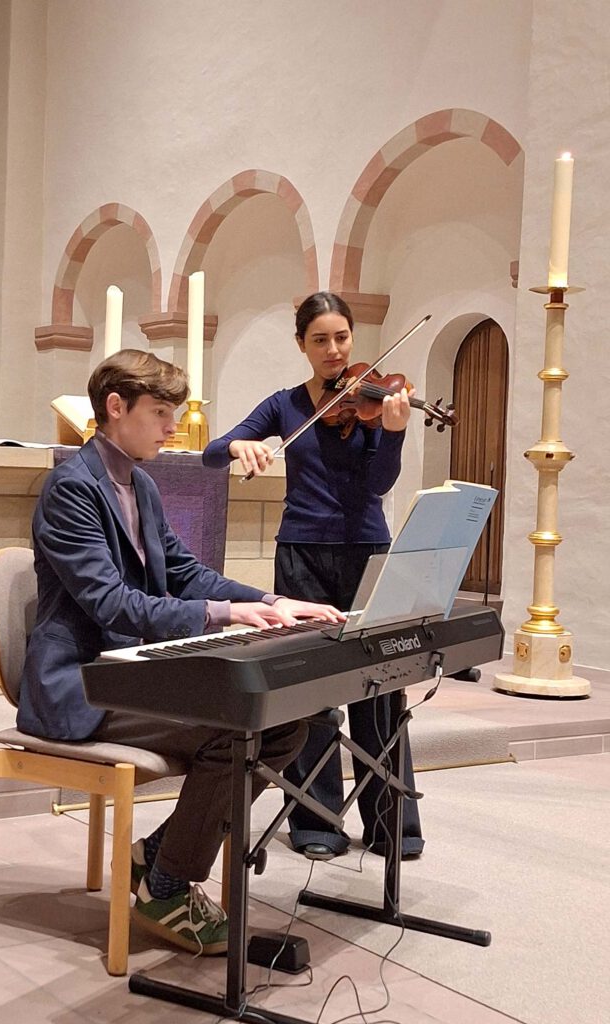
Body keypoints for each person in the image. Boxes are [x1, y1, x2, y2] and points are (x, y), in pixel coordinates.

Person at [17, 349, 344, 956]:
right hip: (80, 685)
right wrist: (225, 615)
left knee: (285, 724)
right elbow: (112, 604)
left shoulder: (140, 482)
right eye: (161, 412)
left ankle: (158, 860)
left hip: (132, 674)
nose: (174, 427)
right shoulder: (71, 489)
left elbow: (187, 573)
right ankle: (167, 884)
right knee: (235, 731)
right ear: (116, 408)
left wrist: (273, 601)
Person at [202, 291, 424, 861]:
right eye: (320, 339)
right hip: (301, 554)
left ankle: (391, 822)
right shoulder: (284, 405)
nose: (333, 350)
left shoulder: (374, 399)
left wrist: (395, 432)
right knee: (311, 692)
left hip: (367, 550)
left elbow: (378, 485)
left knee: (382, 685)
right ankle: (317, 821)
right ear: (301, 344)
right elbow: (211, 452)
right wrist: (243, 444)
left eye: (342, 338)